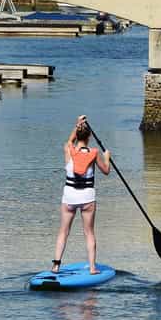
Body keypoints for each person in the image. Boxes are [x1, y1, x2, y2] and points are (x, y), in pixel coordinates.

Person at [51, 115, 111, 274]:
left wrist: (77, 124)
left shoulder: (68, 149)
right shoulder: (94, 152)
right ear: (90, 137)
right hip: (87, 198)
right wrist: (107, 158)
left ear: (76, 135)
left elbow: (70, 141)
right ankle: (92, 268)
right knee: (89, 233)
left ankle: (56, 266)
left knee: (63, 232)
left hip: (69, 197)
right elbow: (106, 171)